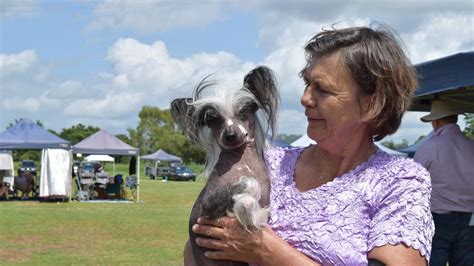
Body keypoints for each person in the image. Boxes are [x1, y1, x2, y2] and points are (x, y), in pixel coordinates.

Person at [186, 25, 434, 265]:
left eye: (322, 89)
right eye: (307, 83)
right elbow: (200, 242)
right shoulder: (267, 163)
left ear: (371, 104)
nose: (305, 98)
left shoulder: (400, 183)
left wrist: (268, 252)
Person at [413, 100, 474, 266]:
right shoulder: (471, 145)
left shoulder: (430, 146)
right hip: (469, 219)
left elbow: (411, 182)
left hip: (438, 218)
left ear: (436, 121)